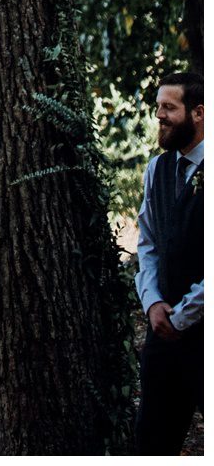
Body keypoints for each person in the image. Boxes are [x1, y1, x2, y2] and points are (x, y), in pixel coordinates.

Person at [134, 68, 203, 455]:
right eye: (158, 107)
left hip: (202, 334)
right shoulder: (157, 170)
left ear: (199, 113)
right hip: (162, 336)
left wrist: (184, 316)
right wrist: (153, 303)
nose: (159, 115)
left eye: (169, 108)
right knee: (152, 445)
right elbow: (148, 244)